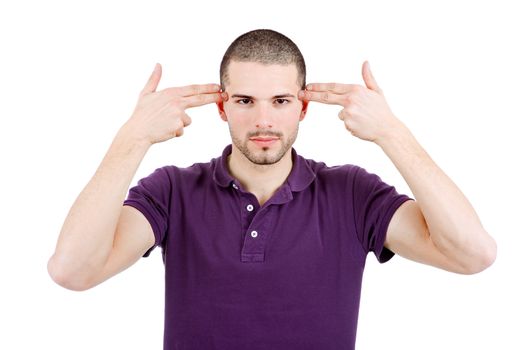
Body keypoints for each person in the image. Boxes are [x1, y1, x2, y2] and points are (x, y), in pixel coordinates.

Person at [48, 29, 497, 349]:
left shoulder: (352, 193)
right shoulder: (172, 191)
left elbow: (472, 254)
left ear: (303, 107)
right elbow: (73, 271)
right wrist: (133, 138)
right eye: (245, 100)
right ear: (222, 107)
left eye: (281, 101)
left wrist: (392, 133)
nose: (263, 120)